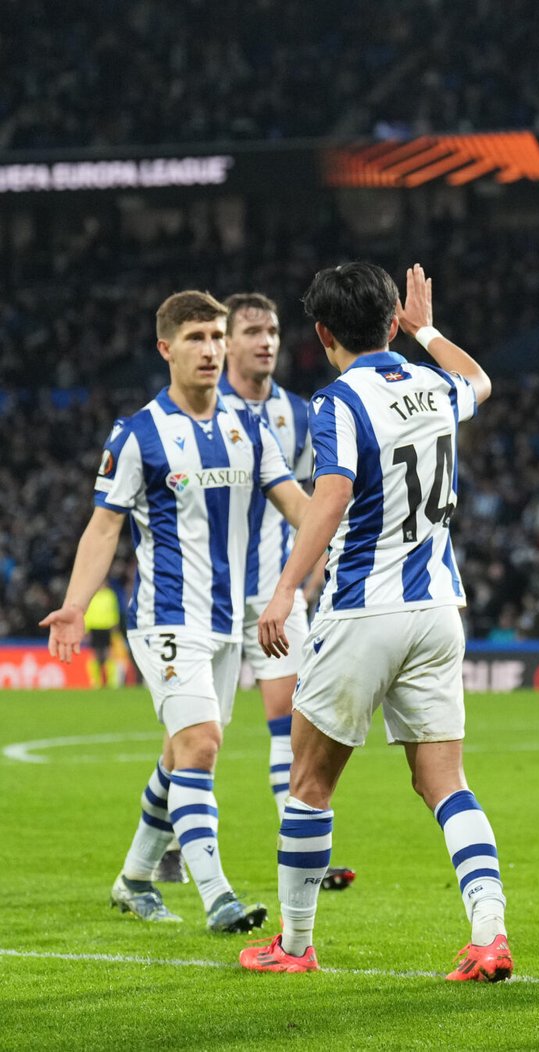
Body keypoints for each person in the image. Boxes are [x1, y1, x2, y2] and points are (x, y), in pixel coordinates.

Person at [239, 263, 508, 981]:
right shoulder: (435, 387)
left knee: (308, 782)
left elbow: (329, 501)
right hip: (438, 610)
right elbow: (480, 381)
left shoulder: (337, 402)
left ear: (323, 333)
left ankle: (294, 947)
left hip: (364, 611)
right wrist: (428, 330)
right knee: (445, 783)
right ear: (391, 320)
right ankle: (489, 932)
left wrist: (283, 591)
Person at [42, 290, 309, 934]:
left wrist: (351, 537)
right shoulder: (138, 435)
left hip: (227, 621)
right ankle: (218, 895)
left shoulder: (250, 428)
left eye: (218, 337)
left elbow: (296, 504)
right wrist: (76, 606)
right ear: (166, 348)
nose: (212, 350)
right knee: (201, 744)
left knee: (176, 751)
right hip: (166, 618)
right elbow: (104, 528)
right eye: (196, 338)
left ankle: (134, 879)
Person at [214, 291, 355, 893]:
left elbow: (311, 497)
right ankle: (163, 839)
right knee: (197, 737)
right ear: (226, 342)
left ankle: (300, 853)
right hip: (208, 594)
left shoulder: (302, 412)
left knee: (287, 717)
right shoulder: (198, 411)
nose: (267, 341)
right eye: (252, 331)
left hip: (277, 587)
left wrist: (315, 559)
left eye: (272, 330)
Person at [83, 583, 125, 688]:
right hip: (94, 627)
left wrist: (115, 624)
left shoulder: (110, 594)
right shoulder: (91, 595)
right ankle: (95, 681)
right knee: (95, 655)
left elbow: (114, 610)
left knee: (108, 655)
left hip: (107, 627)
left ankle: (111, 682)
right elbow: (87, 612)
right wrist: (86, 628)